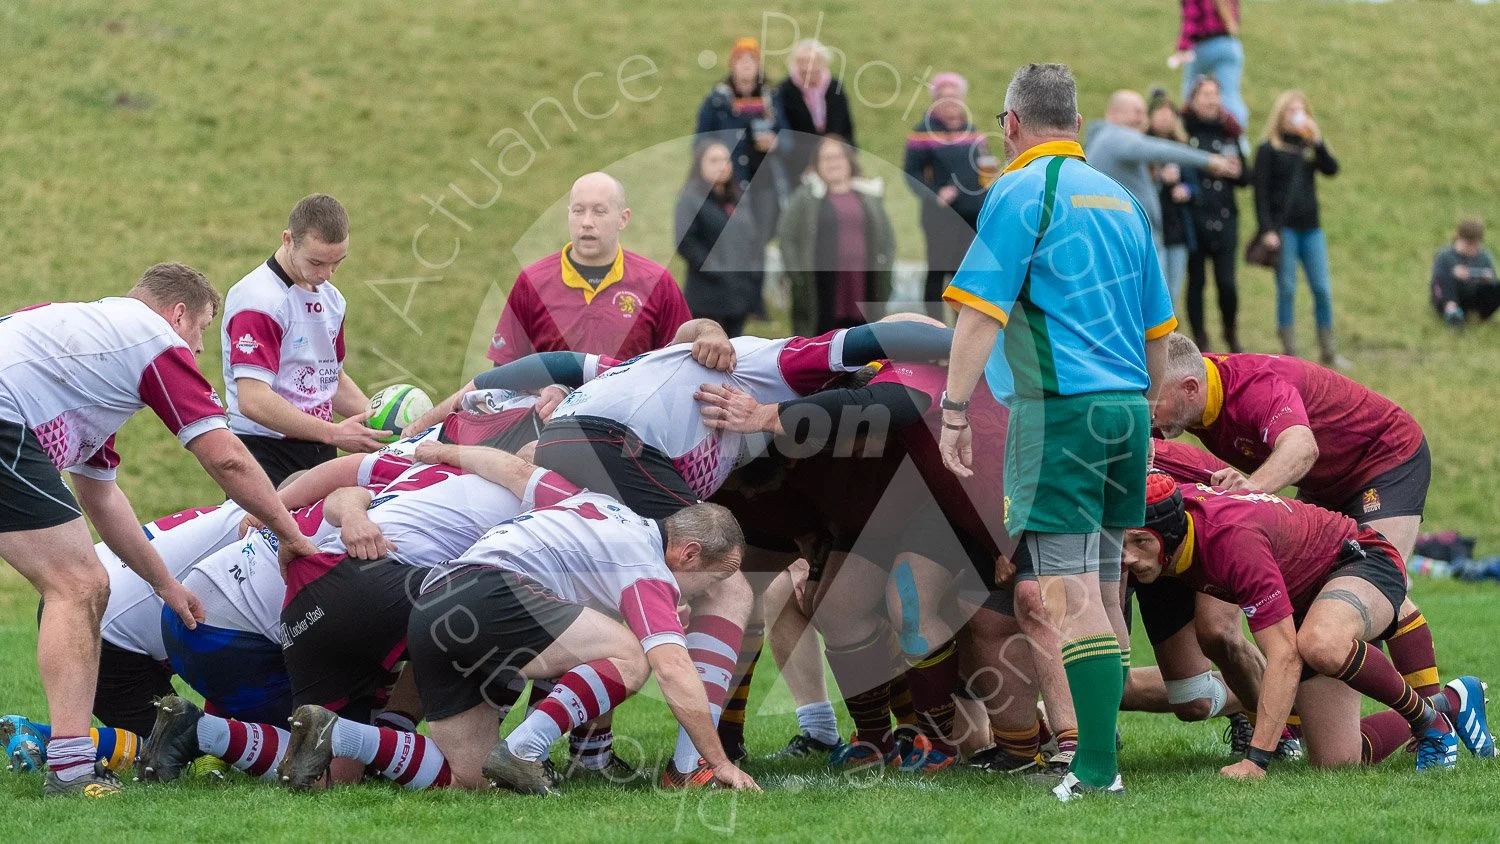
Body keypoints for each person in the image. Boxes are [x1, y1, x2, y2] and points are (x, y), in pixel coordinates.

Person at [939, 64, 1177, 801]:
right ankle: (1102, 753)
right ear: (1076, 124)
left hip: (1061, 411)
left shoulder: (1018, 190)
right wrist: (1145, 411)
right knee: (1101, 586)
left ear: (1012, 124)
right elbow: (1159, 334)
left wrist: (954, 410)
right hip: (1127, 409)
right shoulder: (1123, 200)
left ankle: (1096, 767)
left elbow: (980, 312)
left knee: (1065, 594)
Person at [0, 263, 319, 797]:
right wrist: (288, 531)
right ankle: (71, 771)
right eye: (201, 331)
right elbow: (226, 457)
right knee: (78, 584)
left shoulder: (93, 361)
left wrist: (164, 584)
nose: (198, 349)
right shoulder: (153, 339)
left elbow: (101, 496)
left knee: (84, 581)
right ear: (178, 315)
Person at [296, 488, 760, 793]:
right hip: (491, 592)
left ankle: (336, 733)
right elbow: (673, 668)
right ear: (689, 553)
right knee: (636, 657)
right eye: (715, 579)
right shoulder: (646, 565)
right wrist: (716, 761)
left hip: (434, 604)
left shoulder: (606, 507)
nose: (708, 593)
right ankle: (525, 748)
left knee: (471, 780)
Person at [1124, 474, 1478, 774]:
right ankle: (1451, 701)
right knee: (1338, 762)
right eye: (1123, 542)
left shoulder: (1233, 543)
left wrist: (1256, 761)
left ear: (1171, 534)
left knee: (1319, 643)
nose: (1127, 556)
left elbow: (1284, 655)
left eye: (1140, 542)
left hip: (1359, 559)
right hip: (1303, 599)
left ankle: (1428, 722)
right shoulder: (1168, 507)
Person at [223, 194, 383, 486]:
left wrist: (383, 421)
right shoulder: (259, 301)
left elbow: (332, 380)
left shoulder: (333, 300)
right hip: (264, 454)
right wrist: (334, 433)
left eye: (337, 263)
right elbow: (253, 400)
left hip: (320, 448)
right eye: (316, 262)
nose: (326, 274)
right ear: (288, 240)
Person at [486, 172, 692, 367]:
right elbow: (503, 370)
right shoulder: (532, 282)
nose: (586, 222)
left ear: (623, 219)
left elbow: (681, 364)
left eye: (599, 212)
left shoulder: (657, 283)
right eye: (578, 211)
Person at [1085, 89, 1240, 275]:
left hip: (1125, 238)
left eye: (1144, 113)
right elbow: (1161, 150)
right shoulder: (1116, 138)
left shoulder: (1105, 139)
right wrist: (1209, 160)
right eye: (1137, 112)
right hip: (1127, 240)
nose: (1142, 119)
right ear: (1113, 113)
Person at [1251, 91, 1343, 365]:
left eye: (1301, 110)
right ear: (1280, 115)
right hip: (1285, 230)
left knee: (1322, 288)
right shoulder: (1268, 149)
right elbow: (1260, 193)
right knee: (1287, 287)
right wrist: (1267, 229)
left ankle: (1328, 349)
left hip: (1311, 228)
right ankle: (1289, 351)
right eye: (1291, 110)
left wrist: (1318, 142)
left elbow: (1331, 169)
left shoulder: (1307, 147)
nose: (1297, 116)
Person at [780, 136, 895, 336]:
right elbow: (787, 237)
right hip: (821, 288)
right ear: (817, 164)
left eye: (838, 157)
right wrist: (797, 276)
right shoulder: (805, 197)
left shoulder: (868, 195)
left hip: (861, 282)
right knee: (825, 338)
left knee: (862, 339)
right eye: (826, 158)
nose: (833, 163)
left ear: (849, 160)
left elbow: (887, 239)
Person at [903, 73, 992, 320]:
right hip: (940, 215)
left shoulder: (972, 130)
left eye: (955, 97)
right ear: (934, 101)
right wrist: (935, 193)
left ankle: (961, 330)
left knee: (965, 273)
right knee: (938, 270)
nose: (951, 102)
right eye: (944, 97)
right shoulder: (922, 133)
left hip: (972, 215)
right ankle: (934, 327)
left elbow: (983, 166)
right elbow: (911, 173)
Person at [1182, 76, 1251, 352]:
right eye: (1205, 94)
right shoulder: (1184, 130)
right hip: (1194, 218)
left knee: (1227, 283)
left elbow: (1246, 177)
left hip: (1225, 218)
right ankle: (1200, 340)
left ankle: (1230, 332)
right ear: (1194, 99)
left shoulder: (1230, 131)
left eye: (1215, 94)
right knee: (1196, 282)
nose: (1211, 100)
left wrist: (1237, 171)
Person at [695, 36, 784, 244]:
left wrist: (776, 142)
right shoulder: (717, 101)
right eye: (740, 60)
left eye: (752, 60)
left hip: (765, 183)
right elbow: (700, 143)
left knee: (763, 239)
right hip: (730, 184)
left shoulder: (771, 98)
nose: (746, 65)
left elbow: (788, 136)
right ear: (732, 65)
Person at [675, 140, 764, 337]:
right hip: (708, 295)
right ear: (700, 165)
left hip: (738, 295)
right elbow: (686, 242)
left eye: (726, 159)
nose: (722, 165)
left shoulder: (739, 198)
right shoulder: (690, 199)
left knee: (735, 350)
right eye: (714, 160)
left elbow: (752, 238)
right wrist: (716, 270)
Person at [774, 40, 855, 183]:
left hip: (836, 159)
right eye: (802, 62)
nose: (808, 67)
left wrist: (845, 158)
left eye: (813, 61)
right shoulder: (786, 91)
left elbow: (845, 127)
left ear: (822, 63)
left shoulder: (834, 87)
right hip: (800, 165)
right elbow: (787, 132)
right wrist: (812, 163)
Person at [1146, 89, 1195, 309]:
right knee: (1157, 290)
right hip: (1153, 228)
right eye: (1160, 113)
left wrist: (1186, 189)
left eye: (1169, 114)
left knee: (1173, 292)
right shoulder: (1140, 147)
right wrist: (1158, 178)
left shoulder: (1182, 147)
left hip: (1177, 230)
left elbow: (1195, 184)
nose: (1166, 118)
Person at [1170, 0, 1248, 132]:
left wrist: (1183, 48)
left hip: (1204, 45)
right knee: (1230, 95)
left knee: (1191, 92)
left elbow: (1191, 18)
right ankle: (1237, 135)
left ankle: (1185, 131)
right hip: (1230, 44)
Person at [1431, 216, 1499, 327]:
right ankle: (1452, 311)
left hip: (1473, 297)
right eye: (1469, 244)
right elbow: (1437, 283)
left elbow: (1492, 280)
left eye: (1476, 245)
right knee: (1445, 275)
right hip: (1449, 297)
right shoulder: (1445, 256)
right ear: (1459, 239)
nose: (1472, 248)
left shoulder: (1484, 257)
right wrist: (1454, 274)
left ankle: (1478, 315)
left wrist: (1477, 276)